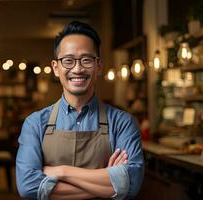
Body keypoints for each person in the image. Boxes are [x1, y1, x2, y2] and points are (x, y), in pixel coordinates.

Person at [16, 21, 144, 199]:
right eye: (68, 60)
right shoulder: (35, 123)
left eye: (86, 60)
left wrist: (62, 171)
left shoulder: (122, 122)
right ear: (56, 67)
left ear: (98, 66)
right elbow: (28, 187)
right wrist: (109, 180)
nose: (77, 69)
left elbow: (130, 184)